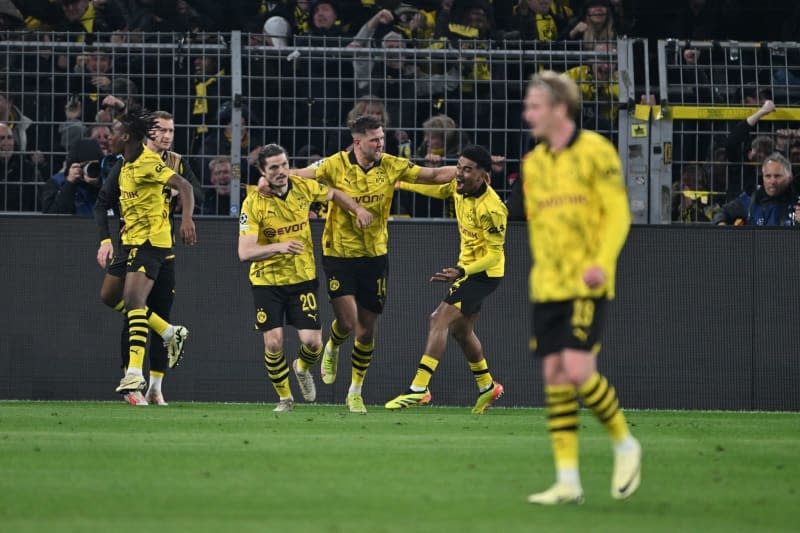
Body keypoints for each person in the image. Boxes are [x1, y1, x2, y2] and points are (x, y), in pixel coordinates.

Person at [262, 114, 457, 413]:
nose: (380, 143)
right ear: (357, 142)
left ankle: (355, 390)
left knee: (366, 331)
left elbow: (430, 176)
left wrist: (465, 170)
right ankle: (333, 346)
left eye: (381, 137)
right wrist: (268, 179)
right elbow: (300, 174)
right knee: (348, 321)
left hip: (375, 255)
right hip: (339, 254)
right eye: (374, 139)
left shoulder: (391, 165)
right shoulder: (333, 164)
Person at [522, 70, 641, 505]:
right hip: (547, 286)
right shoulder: (533, 163)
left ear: (559, 109)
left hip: (587, 282)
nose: (527, 114)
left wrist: (600, 263)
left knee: (576, 369)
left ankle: (625, 444)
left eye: (534, 106)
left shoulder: (596, 151)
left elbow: (618, 214)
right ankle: (567, 480)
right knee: (553, 374)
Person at [239, 143, 372, 412]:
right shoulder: (253, 202)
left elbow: (333, 194)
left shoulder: (302, 186)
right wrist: (279, 246)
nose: (282, 171)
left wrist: (357, 209)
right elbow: (245, 252)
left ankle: (301, 367)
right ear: (263, 172)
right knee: (274, 342)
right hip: (267, 281)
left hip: (302, 277)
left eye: (284, 164)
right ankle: (285, 399)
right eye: (274, 167)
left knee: (312, 343)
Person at [384, 144, 507, 413]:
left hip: (482, 274)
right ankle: (487, 386)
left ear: (483, 176)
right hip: (468, 270)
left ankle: (419, 388)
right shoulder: (458, 188)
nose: (459, 173)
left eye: (467, 169)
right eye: (459, 166)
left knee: (437, 319)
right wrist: (401, 184)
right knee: (462, 332)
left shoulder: (494, 208)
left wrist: (463, 271)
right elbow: (435, 189)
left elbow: (495, 255)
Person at [95, 109, 202, 405]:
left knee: (133, 302)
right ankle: (168, 331)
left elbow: (186, 186)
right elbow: (106, 201)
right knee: (108, 296)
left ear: (126, 137)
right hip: (129, 243)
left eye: (113, 133)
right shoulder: (125, 166)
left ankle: (134, 374)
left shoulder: (147, 163)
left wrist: (187, 219)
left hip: (151, 243)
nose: (108, 138)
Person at [711, 153, 798, 226]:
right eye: (768, 176)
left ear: (789, 178)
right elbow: (721, 213)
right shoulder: (752, 198)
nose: (772, 181)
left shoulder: (796, 199)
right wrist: (721, 226)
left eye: (777, 176)